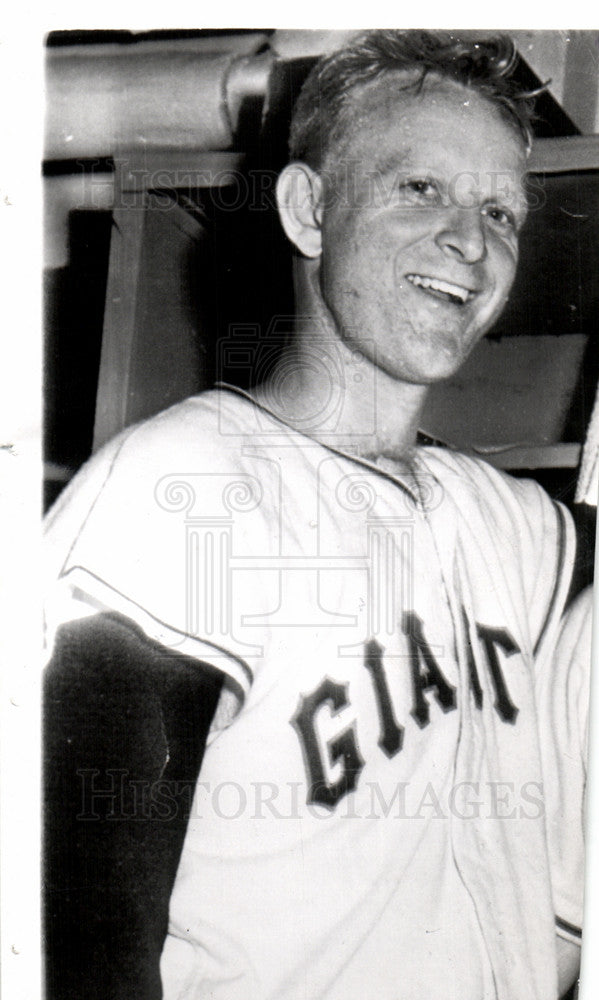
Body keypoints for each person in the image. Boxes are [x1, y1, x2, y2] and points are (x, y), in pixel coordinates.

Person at [44, 30, 587, 1000]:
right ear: (308, 209)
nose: (471, 240)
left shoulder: (511, 529)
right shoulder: (179, 491)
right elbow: (85, 946)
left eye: (499, 209)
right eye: (419, 188)